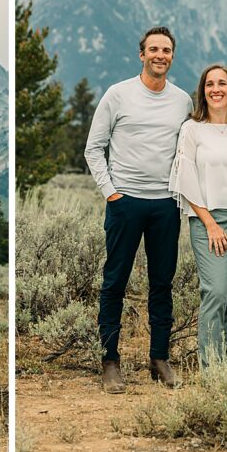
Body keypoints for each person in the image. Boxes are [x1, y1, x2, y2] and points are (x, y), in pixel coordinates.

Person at [84, 26, 193, 393]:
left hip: (165, 204)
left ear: (171, 56)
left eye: (166, 50)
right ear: (141, 54)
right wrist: (111, 193)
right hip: (125, 202)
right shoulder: (118, 95)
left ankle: (159, 358)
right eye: (153, 50)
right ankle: (110, 360)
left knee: (162, 282)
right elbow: (93, 148)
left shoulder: (183, 102)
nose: (160, 55)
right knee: (115, 281)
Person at [169, 64, 227, 368]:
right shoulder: (192, 129)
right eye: (210, 84)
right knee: (215, 292)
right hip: (209, 217)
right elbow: (186, 178)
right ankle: (211, 368)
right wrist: (210, 223)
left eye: (222, 83)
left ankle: (226, 363)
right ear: (202, 91)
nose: (216, 89)